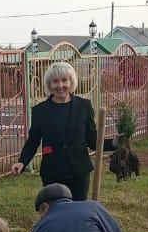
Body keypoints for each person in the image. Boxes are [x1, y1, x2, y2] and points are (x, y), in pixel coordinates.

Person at [11, 61, 97, 201]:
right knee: (55, 210)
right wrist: (22, 162)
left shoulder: (84, 106)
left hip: (79, 170)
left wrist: (116, 143)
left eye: (64, 80)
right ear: (49, 84)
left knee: (78, 211)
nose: (60, 86)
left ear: (71, 81)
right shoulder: (40, 111)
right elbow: (33, 140)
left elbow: (93, 140)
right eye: (55, 81)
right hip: (53, 171)